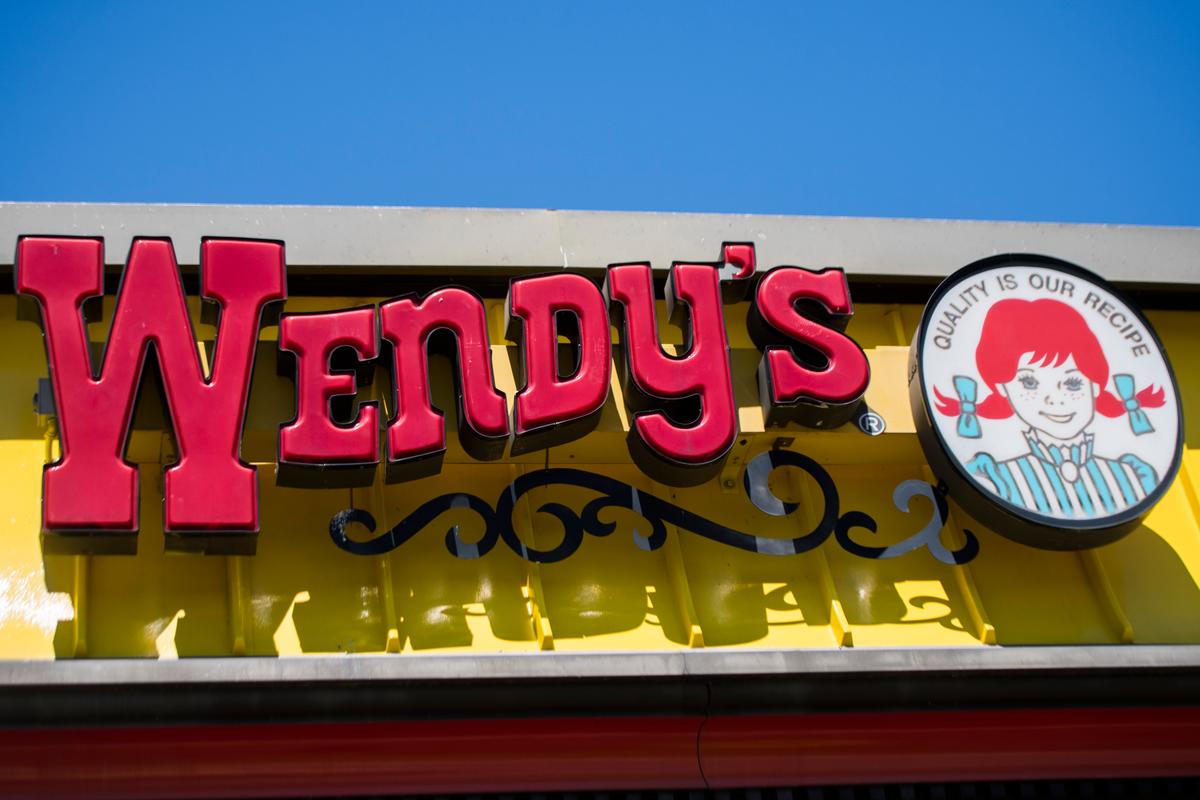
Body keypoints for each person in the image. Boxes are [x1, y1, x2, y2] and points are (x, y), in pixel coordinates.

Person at [934, 298, 1165, 518]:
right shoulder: (995, 477)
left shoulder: (1134, 476)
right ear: (1003, 388)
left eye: (1072, 383)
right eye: (1029, 382)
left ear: (1095, 384)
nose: (1054, 400)